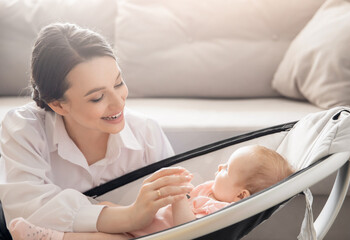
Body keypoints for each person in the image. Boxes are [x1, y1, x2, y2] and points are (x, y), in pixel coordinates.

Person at [0, 22, 194, 239]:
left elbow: (179, 215)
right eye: (97, 97)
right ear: (58, 105)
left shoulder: (147, 133)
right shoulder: (24, 128)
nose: (118, 104)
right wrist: (130, 216)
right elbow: (26, 211)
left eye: (118, 83)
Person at [8, 145, 295, 239]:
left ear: (241, 196)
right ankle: (56, 222)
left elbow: (188, 230)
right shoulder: (212, 190)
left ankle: (51, 237)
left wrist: (181, 198)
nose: (219, 166)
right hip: (148, 219)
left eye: (226, 169)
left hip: (157, 234)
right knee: (105, 206)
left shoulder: (224, 212)